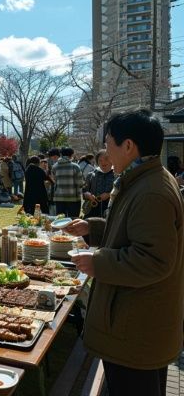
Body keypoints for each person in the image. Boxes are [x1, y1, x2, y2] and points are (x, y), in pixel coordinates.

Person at [67, 110, 184, 396]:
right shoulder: (143, 180)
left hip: (136, 327)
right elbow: (131, 230)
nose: (105, 151)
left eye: (108, 143)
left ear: (128, 146)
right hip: (139, 323)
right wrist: (93, 228)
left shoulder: (151, 190)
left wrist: (98, 262)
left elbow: (154, 260)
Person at [81, 149, 114, 220]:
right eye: (100, 160)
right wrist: (87, 195)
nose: (103, 162)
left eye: (106, 159)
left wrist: (109, 194)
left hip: (111, 210)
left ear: (112, 160)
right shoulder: (91, 175)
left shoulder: (117, 175)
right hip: (92, 210)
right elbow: (84, 192)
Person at [52, 147, 83, 218]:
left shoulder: (55, 166)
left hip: (59, 198)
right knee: (73, 220)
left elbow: (55, 180)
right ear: (71, 155)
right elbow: (80, 183)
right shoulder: (75, 166)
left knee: (60, 220)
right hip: (73, 198)